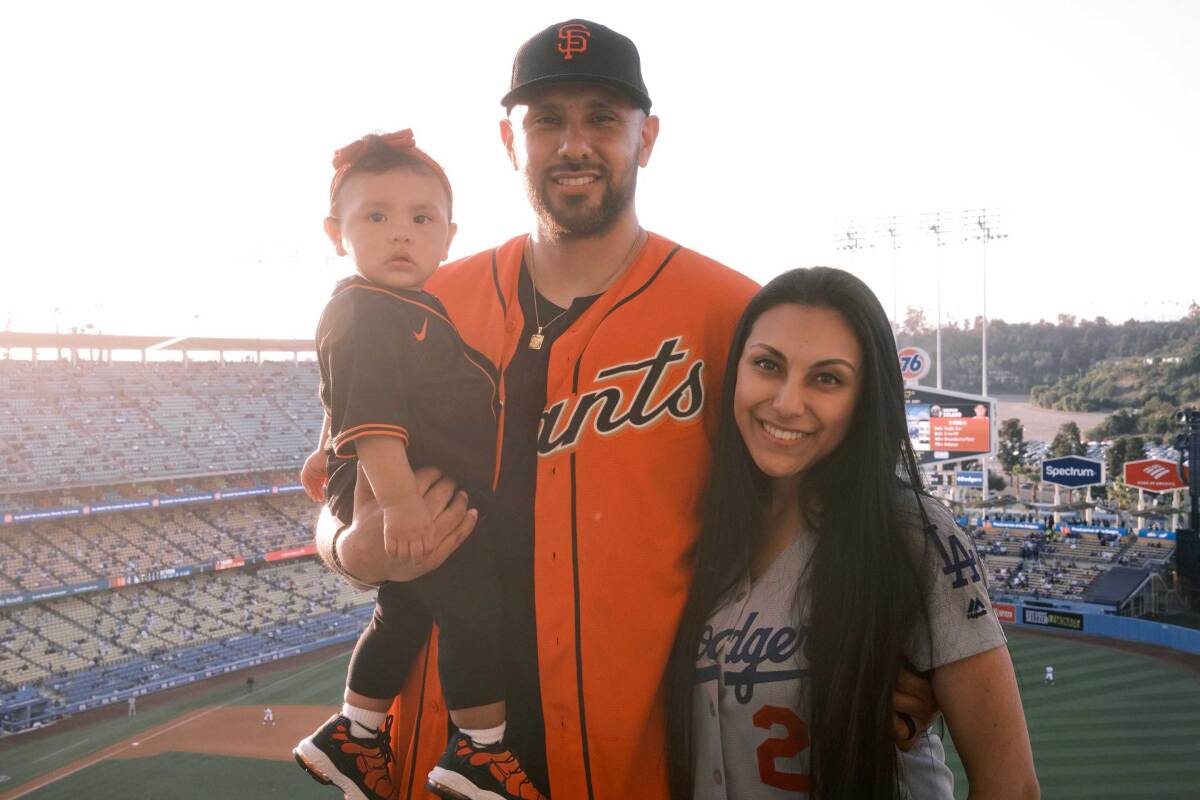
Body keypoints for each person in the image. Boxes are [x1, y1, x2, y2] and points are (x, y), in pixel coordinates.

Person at [314, 20, 937, 800]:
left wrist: (895, 647)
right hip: (434, 755)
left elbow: (840, 496)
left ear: (647, 138)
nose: (574, 143)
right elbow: (332, 481)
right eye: (547, 119)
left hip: (633, 761)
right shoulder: (421, 301)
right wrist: (350, 551)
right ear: (512, 141)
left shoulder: (734, 316)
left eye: (603, 117)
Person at [665, 268, 1038, 798]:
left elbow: (1012, 786)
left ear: (865, 399)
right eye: (768, 365)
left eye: (828, 378)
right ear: (736, 371)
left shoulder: (914, 533)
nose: (787, 403)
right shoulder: (699, 526)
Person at [292, 130, 542, 800]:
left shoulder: (406, 306)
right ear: (335, 232)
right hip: (413, 490)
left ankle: (353, 733)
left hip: (409, 485)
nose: (400, 234)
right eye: (376, 216)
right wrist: (398, 507)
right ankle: (479, 751)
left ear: (448, 235)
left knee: (403, 610)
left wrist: (325, 447)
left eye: (420, 218)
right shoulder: (367, 307)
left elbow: (353, 393)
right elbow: (372, 413)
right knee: (473, 609)